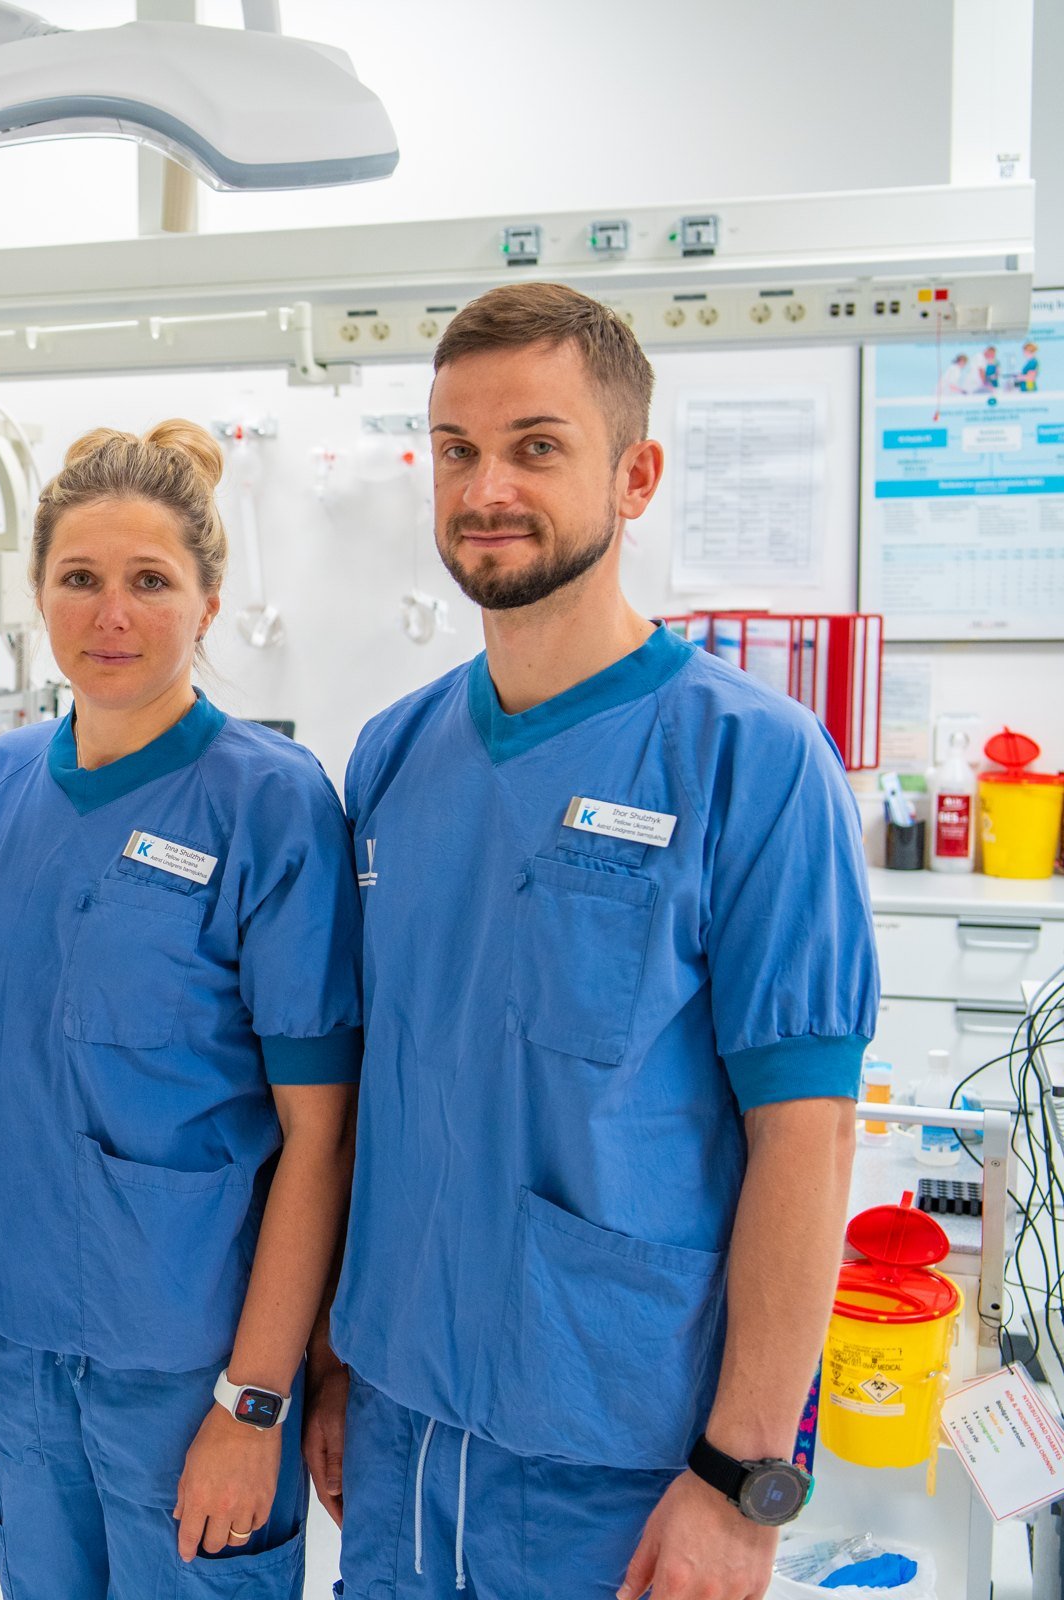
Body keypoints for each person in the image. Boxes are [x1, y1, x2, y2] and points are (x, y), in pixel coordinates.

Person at [310, 283, 877, 1600]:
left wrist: (744, 1479)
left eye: (537, 446)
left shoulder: (750, 759)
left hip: (623, 1458)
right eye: (456, 449)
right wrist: (342, 1360)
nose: (487, 485)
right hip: (401, 1425)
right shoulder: (397, 756)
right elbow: (391, 1089)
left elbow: (809, 1135)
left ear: (637, 475)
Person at [0, 422, 362, 1600]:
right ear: (36, 594)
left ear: (209, 601)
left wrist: (254, 1401)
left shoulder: (269, 806)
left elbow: (320, 1134)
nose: (109, 614)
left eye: (150, 581)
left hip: (193, 1379)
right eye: (79, 578)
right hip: (18, 1359)